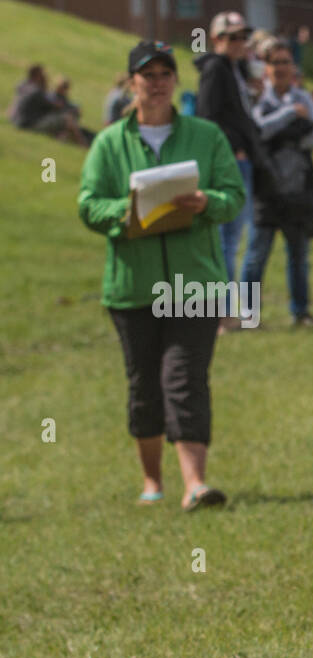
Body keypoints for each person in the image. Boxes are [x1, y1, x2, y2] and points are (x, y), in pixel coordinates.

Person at [78, 40, 244, 510]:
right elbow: (88, 205)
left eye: (164, 74)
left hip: (196, 283)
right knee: (144, 387)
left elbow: (234, 195)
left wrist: (207, 202)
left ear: (176, 80)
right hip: (133, 286)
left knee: (186, 378)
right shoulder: (109, 143)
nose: (156, 82)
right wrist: (128, 212)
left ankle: (196, 484)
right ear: (132, 82)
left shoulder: (207, 136)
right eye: (146, 75)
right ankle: (153, 481)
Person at [241, 39, 313, 327]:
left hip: (297, 187)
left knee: (298, 255)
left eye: (285, 62)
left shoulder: (305, 97)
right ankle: (249, 315)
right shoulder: (257, 98)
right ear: (265, 68)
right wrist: (291, 116)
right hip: (266, 188)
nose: (280, 68)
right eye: (275, 62)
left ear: (293, 67)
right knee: (256, 256)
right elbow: (257, 131)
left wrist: (285, 127)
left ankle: (300, 312)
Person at [195, 11, 264, 290]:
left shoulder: (236, 69)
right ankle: (222, 313)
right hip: (230, 162)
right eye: (232, 37)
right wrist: (234, 149)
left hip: (242, 159)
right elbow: (208, 118)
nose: (240, 42)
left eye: (243, 36)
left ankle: (225, 310)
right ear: (216, 39)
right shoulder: (216, 69)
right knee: (227, 239)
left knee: (234, 239)